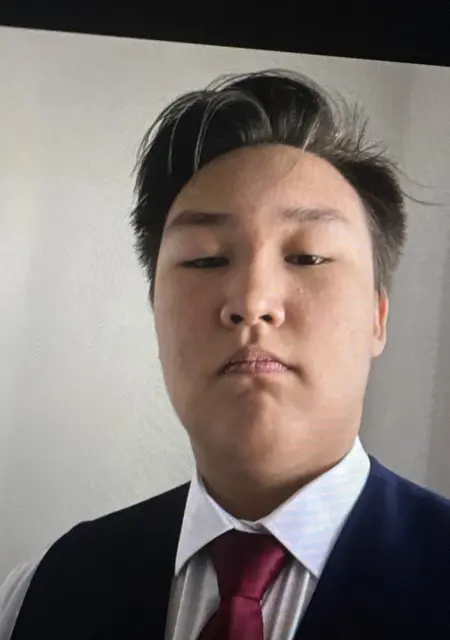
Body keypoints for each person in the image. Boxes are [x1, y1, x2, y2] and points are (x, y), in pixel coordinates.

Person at [1, 68, 450, 640]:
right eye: (206, 259)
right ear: (156, 309)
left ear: (378, 318)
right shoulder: (43, 591)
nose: (251, 301)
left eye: (308, 257)